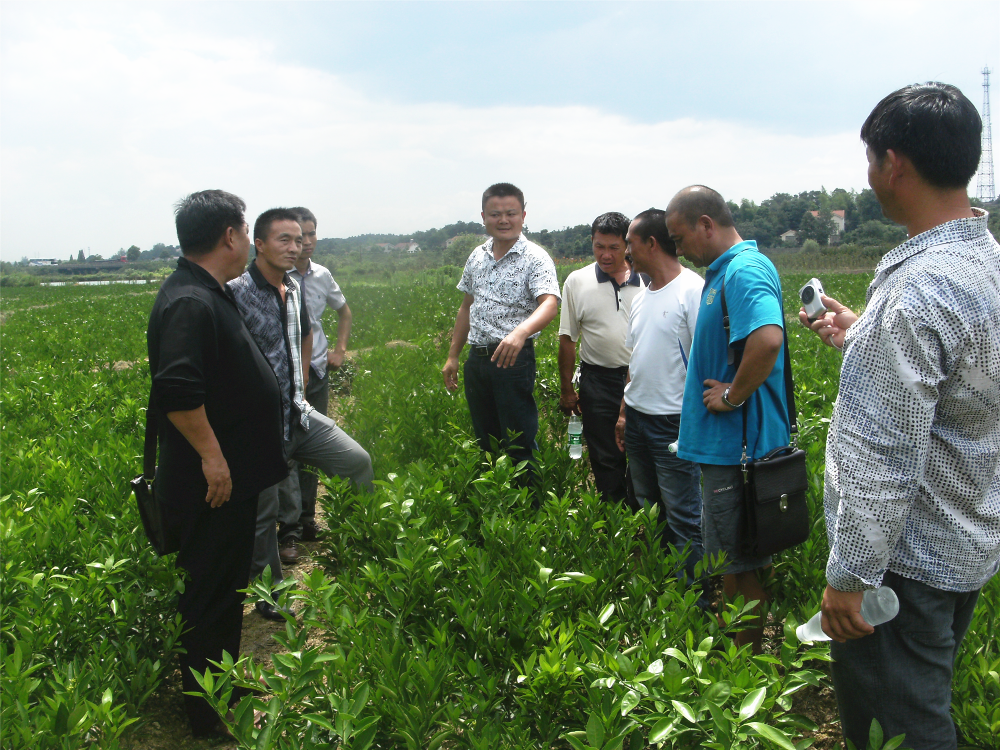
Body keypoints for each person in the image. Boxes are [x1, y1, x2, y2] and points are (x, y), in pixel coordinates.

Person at [801, 83, 1000, 748]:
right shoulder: (984, 264)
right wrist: (866, 336)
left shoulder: (916, 292)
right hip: (965, 539)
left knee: (904, 728)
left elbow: (882, 454)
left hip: (902, 566)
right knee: (923, 700)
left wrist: (851, 577)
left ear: (893, 164)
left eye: (869, 160)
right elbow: (964, 385)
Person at [146, 190, 287, 737]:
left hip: (227, 479)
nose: (246, 239)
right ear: (230, 236)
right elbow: (178, 392)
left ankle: (220, 683)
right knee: (208, 593)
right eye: (246, 230)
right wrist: (213, 458)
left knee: (227, 588)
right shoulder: (190, 301)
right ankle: (207, 715)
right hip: (210, 484)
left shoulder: (207, 291)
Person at [229, 208, 373, 620]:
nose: (296, 247)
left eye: (299, 239)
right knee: (263, 513)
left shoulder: (293, 287)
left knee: (357, 462)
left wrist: (303, 378)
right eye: (285, 240)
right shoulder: (235, 292)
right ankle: (270, 595)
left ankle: (360, 548)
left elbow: (306, 331)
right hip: (259, 426)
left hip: (298, 413)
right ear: (259, 244)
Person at [667, 186, 789, 654]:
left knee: (743, 561)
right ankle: (736, 648)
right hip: (728, 449)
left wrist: (733, 396)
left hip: (740, 449)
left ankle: (746, 663)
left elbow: (768, 339)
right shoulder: (725, 272)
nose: (679, 250)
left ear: (705, 225)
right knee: (735, 559)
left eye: (679, 238)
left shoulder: (743, 270)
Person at [441, 183, 560, 483]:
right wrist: (453, 356)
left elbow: (549, 304)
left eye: (511, 213)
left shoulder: (535, 257)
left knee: (518, 442)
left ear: (523, 216)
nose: (503, 220)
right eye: (495, 214)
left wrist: (520, 333)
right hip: (477, 359)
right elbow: (466, 307)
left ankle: (529, 505)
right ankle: (495, 502)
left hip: (512, 360)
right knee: (486, 441)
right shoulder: (477, 256)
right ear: (483, 217)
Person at [614, 208, 704, 583]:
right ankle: (663, 583)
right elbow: (635, 362)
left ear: (651, 243)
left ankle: (693, 598)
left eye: (630, 244)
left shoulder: (692, 291)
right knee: (650, 510)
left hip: (673, 424)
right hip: (637, 419)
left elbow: (707, 362)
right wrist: (623, 413)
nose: (626, 252)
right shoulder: (641, 297)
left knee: (683, 515)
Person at [281, 206, 353, 547]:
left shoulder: (322, 275)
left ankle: (307, 518)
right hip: (285, 372)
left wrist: (340, 350)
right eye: (300, 236)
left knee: (311, 444)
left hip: (317, 371)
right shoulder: (277, 276)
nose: (306, 242)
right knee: (285, 447)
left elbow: (344, 312)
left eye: (311, 234)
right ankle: (288, 526)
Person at [558, 212, 642, 503]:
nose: (605, 255)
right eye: (599, 247)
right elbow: (567, 339)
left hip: (642, 379)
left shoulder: (649, 280)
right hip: (598, 380)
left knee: (642, 451)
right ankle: (614, 516)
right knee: (605, 455)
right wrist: (567, 390)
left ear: (627, 245)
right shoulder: (577, 281)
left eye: (614, 248)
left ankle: (642, 514)